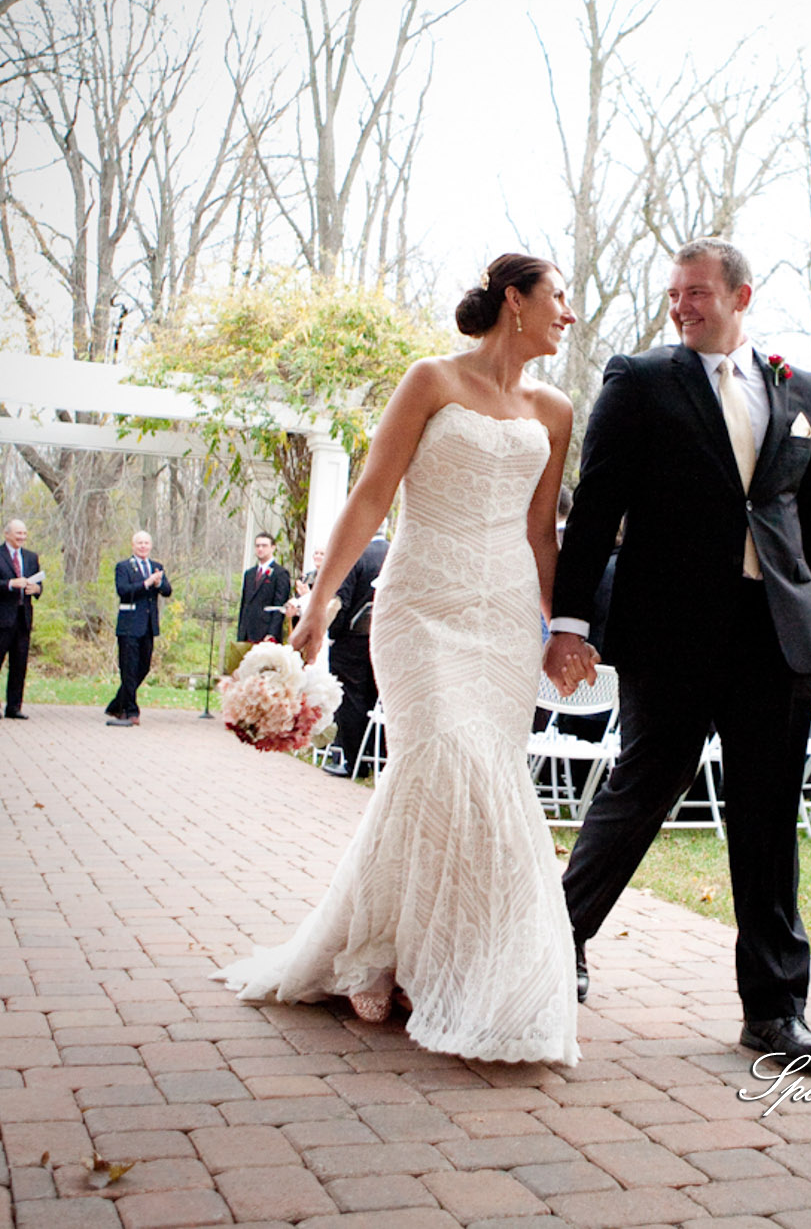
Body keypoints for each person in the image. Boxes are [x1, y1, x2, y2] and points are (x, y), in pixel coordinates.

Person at [215, 252, 580, 1067]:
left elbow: (541, 532)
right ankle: (402, 953)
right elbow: (373, 493)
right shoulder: (430, 381)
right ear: (515, 301)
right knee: (444, 761)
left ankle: (421, 956)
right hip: (420, 608)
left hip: (505, 620)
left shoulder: (555, 410)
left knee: (475, 776)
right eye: (559, 297)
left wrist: (562, 627)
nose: (570, 312)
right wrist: (320, 602)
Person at [543, 236, 811, 1073]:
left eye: (697, 292)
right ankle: (555, 941)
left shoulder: (800, 388)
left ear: (741, 296)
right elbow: (598, 503)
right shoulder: (639, 381)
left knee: (766, 819)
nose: (682, 305)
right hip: (672, 631)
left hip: (775, 636)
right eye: (675, 293)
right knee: (644, 787)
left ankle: (776, 1012)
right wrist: (569, 619)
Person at [322, 530, 389, 776]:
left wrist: (333, 634)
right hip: (385, 640)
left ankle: (354, 762)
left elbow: (341, 600)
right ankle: (381, 759)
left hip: (352, 643)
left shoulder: (355, 554)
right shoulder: (392, 553)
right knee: (379, 702)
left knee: (350, 701)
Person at [104, 531, 172, 727]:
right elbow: (123, 591)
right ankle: (131, 711)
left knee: (143, 667)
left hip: (148, 625)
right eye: (139, 543)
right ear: (133, 545)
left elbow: (167, 591)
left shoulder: (157, 566)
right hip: (129, 625)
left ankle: (118, 703)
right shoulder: (124, 567)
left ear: (150, 545)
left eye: (146, 543)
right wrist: (146, 583)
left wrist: (159, 583)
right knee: (128, 668)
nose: (143, 546)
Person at [0, 519, 42, 720]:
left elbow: (38, 584)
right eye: (18, 533)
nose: (22, 537)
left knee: (19, 665)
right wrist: (10, 583)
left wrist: (37, 589)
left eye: (24, 533)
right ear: (7, 534)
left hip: (22, 619)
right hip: (0, 619)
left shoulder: (31, 557)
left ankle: (14, 707)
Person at [237, 534, 291, 646]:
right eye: (257, 546)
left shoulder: (280, 574)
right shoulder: (250, 574)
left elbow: (279, 607)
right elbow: (244, 604)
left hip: (266, 633)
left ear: (273, 547)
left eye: (264, 546)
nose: (260, 549)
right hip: (247, 633)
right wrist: (241, 632)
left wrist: (272, 634)